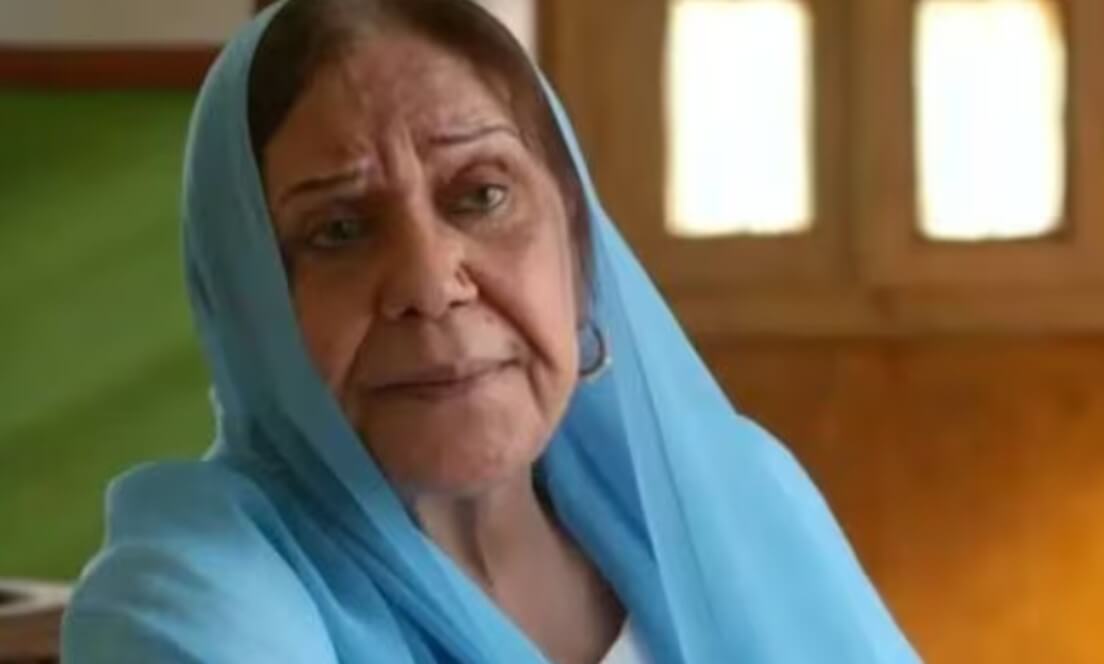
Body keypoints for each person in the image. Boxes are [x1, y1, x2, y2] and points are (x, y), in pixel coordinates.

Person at [61, 1, 919, 662]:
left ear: (576, 239)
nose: (431, 284)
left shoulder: (736, 497)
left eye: (481, 195)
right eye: (339, 230)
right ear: (249, 307)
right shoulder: (192, 595)